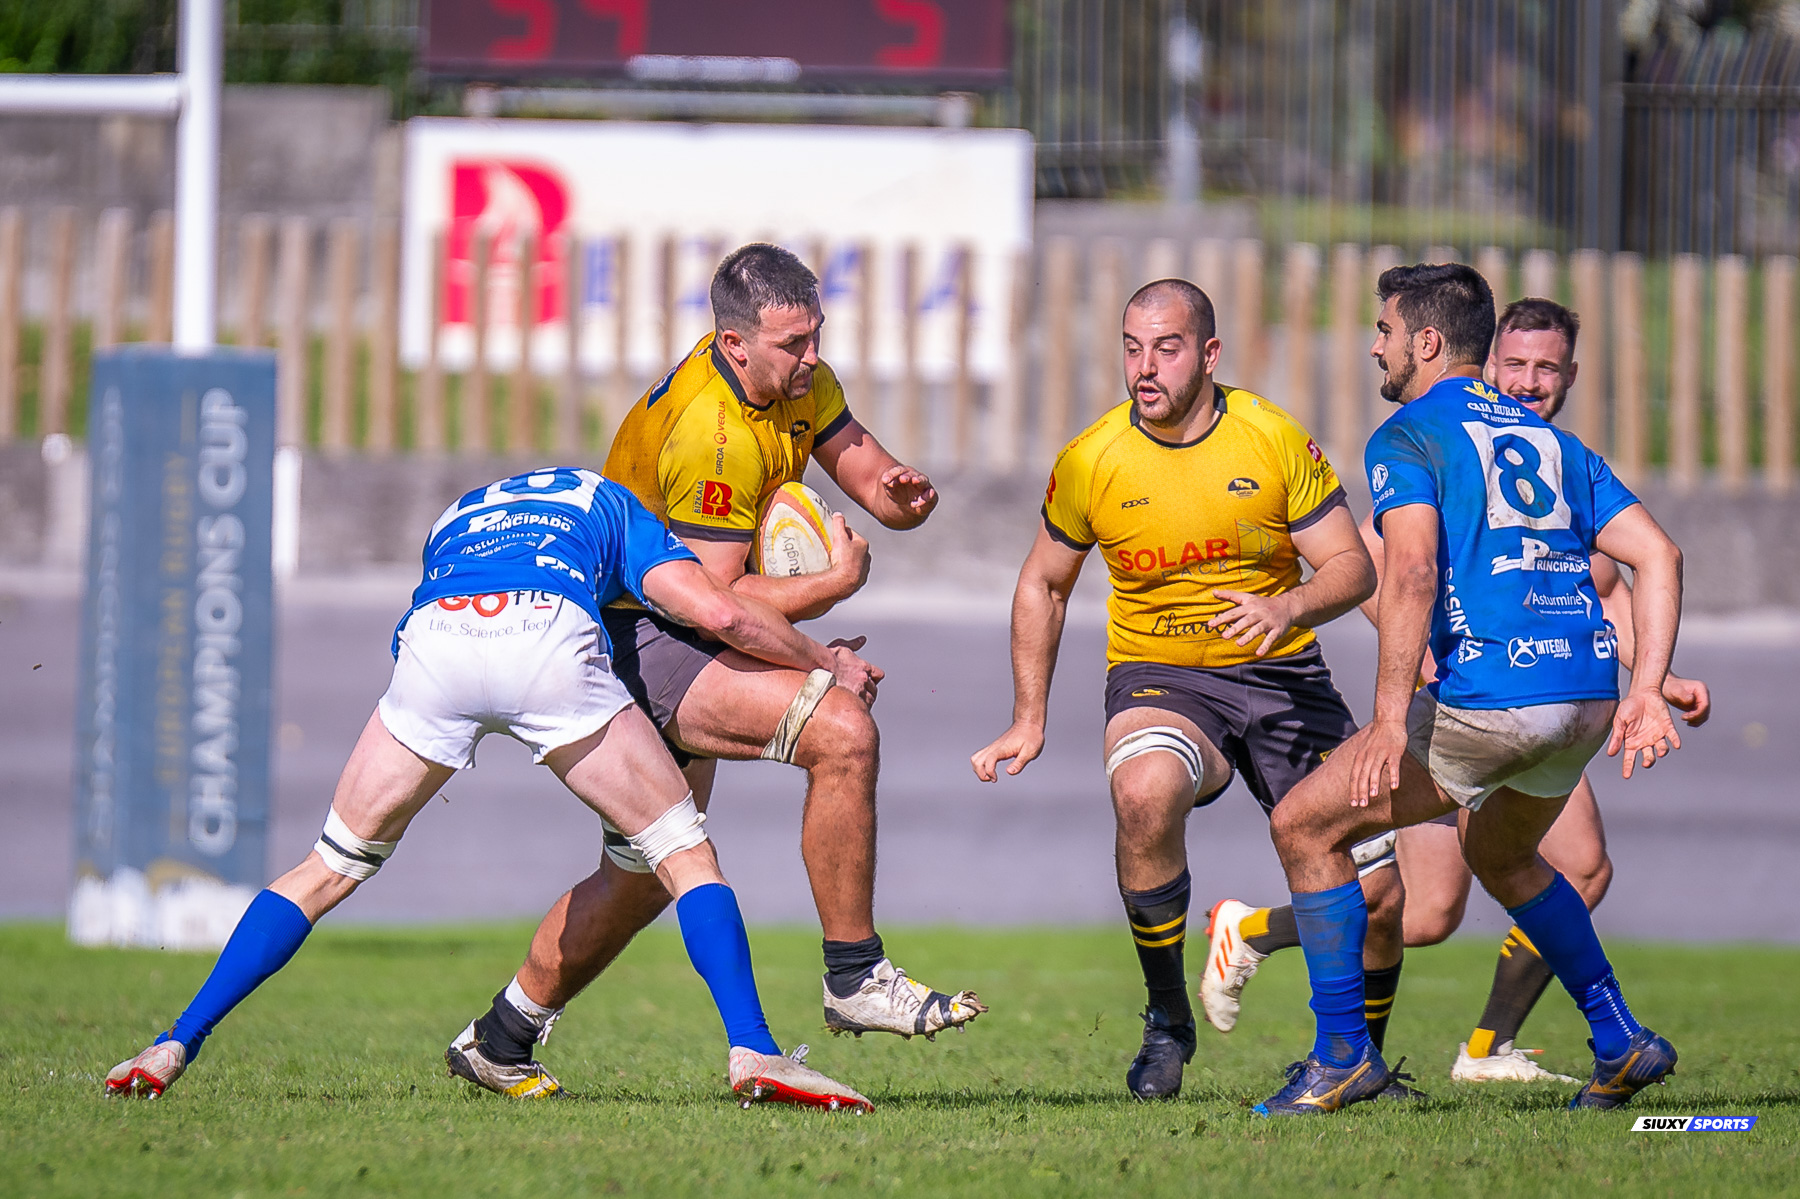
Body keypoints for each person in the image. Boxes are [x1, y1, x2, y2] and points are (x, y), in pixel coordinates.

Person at [106, 467, 878, 1111]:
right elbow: (717, 611)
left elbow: (424, 612)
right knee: (682, 851)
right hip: (544, 636)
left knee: (328, 865)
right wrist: (823, 660)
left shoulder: (463, 511)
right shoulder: (609, 499)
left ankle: (176, 1037)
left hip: (436, 643)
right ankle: (754, 1050)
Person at [444, 244, 982, 1100]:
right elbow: (716, 597)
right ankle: (855, 974)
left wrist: (897, 491)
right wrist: (833, 595)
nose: (811, 358)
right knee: (840, 731)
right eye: (791, 344)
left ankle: (503, 1034)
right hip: (637, 634)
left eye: (815, 336)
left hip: (675, 626)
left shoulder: (801, 380)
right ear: (735, 344)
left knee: (642, 873)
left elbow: (863, 468)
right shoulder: (711, 431)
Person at [1203, 297, 1711, 1084]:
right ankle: (1619, 1039)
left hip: (1492, 699)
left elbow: (1404, 569)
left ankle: (1341, 1058)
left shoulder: (1411, 435)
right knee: (1490, 867)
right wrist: (1644, 688)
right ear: (1490, 357)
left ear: (1428, 342)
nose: (1376, 349)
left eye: (1383, 332)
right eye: (1521, 364)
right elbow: (1660, 556)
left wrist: (1386, 716)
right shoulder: (1558, 447)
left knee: (1306, 826)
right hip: (1584, 702)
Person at [970, 278, 1405, 1101]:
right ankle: (1169, 1017)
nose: (1145, 366)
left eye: (1165, 348)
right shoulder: (1093, 458)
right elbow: (1044, 585)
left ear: (1208, 354)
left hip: (1283, 674)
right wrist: (1029, 717)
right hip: (1162, 676)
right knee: (1143, 792)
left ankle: (1359, 1063)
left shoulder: (1272, 437)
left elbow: (1352, 567)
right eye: (1132, 348)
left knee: (1382, 895)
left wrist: (1290, 605)